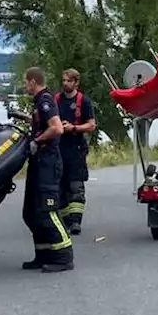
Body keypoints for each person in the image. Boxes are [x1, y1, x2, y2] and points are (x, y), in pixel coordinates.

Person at [21, 67, 74, 272]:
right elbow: (45, 123)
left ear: (33, 82)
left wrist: (37, 140)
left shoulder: (45, 100)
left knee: (47, 210)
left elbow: (57, 127)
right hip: (39, 162)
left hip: (48, 162)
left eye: (25, 82)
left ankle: (63, 256)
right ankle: (43, 254)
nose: (24, 86)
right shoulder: (39, 103)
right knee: (31, 213)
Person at [56, 69, 96, 235]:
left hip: (76, 149)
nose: (65, 83)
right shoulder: (56, 100)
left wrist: (73, 128)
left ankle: (76, 221)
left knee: (75, 186)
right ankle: (66, 220)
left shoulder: (83, 102)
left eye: (68, 81)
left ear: (76, 82)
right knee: (60, 187)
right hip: (58, 149)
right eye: (63, 80)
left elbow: (91, 125)